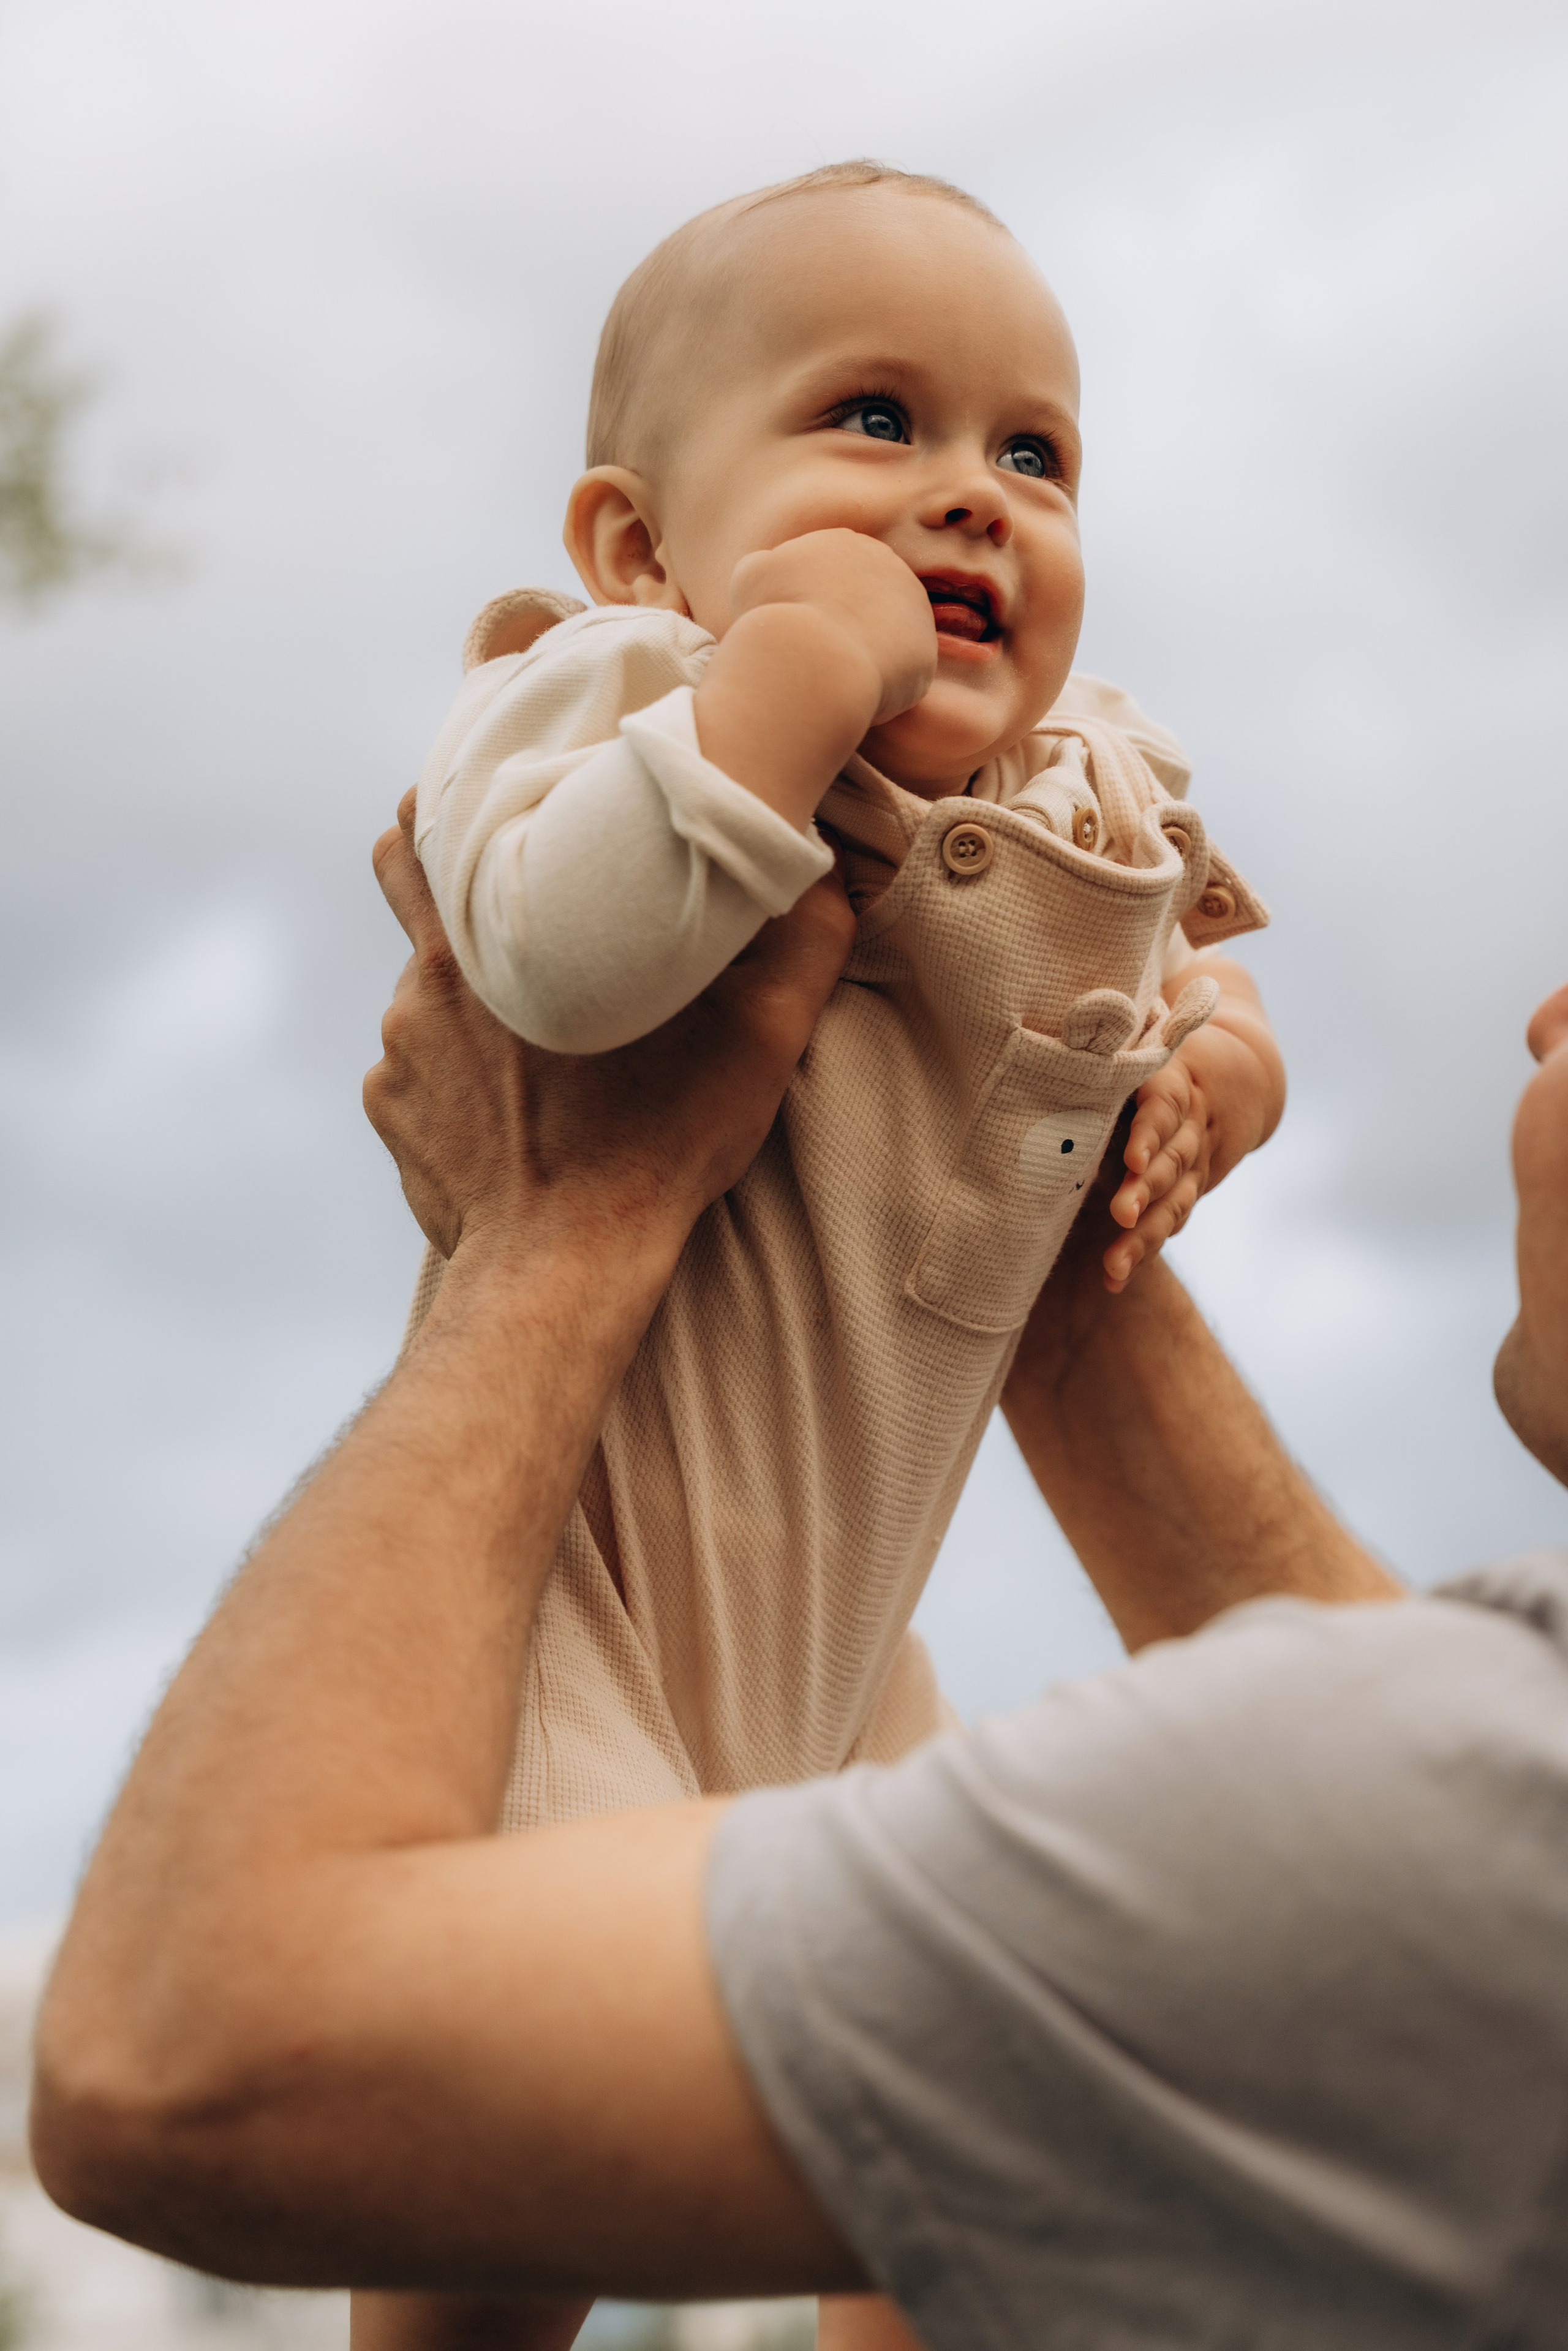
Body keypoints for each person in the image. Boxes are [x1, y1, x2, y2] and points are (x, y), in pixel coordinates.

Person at [31, 813, 1568, 2345]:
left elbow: (182, 2049)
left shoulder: (1494, 1831)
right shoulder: (1490, 1793)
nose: (1541, 1011)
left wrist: (560, 1225)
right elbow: (1360, 1730)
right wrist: (967, 1133)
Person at [404, 157, 1284, 1864]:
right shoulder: (610, 687)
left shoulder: (1085, 768)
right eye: (876, 418)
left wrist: (1225, 1054)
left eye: (1034, 454)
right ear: (642, 546)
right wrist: (787, 688)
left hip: (859, 1648)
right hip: (569, 1615)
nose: (976, 496)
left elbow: (1191, 962)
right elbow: (547, 966)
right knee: (605, 2037)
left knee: (911, 1979)